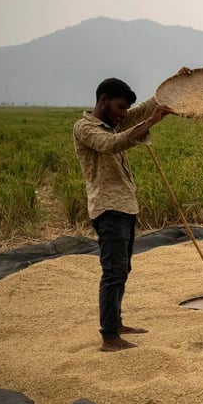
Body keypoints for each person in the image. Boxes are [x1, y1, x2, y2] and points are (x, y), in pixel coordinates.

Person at [73, 78, 174, 352]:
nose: (122, 114)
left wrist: (175, 85)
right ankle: (110, 337)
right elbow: (112, 144)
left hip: (127, 207)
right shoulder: (85, 128)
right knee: (113, 273)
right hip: (108, 208)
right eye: (119, 107)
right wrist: (151, 122)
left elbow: (141, 111)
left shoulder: (114, 122)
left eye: (124, 110)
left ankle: (115, 323)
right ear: (103, 100)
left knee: (123, 269)